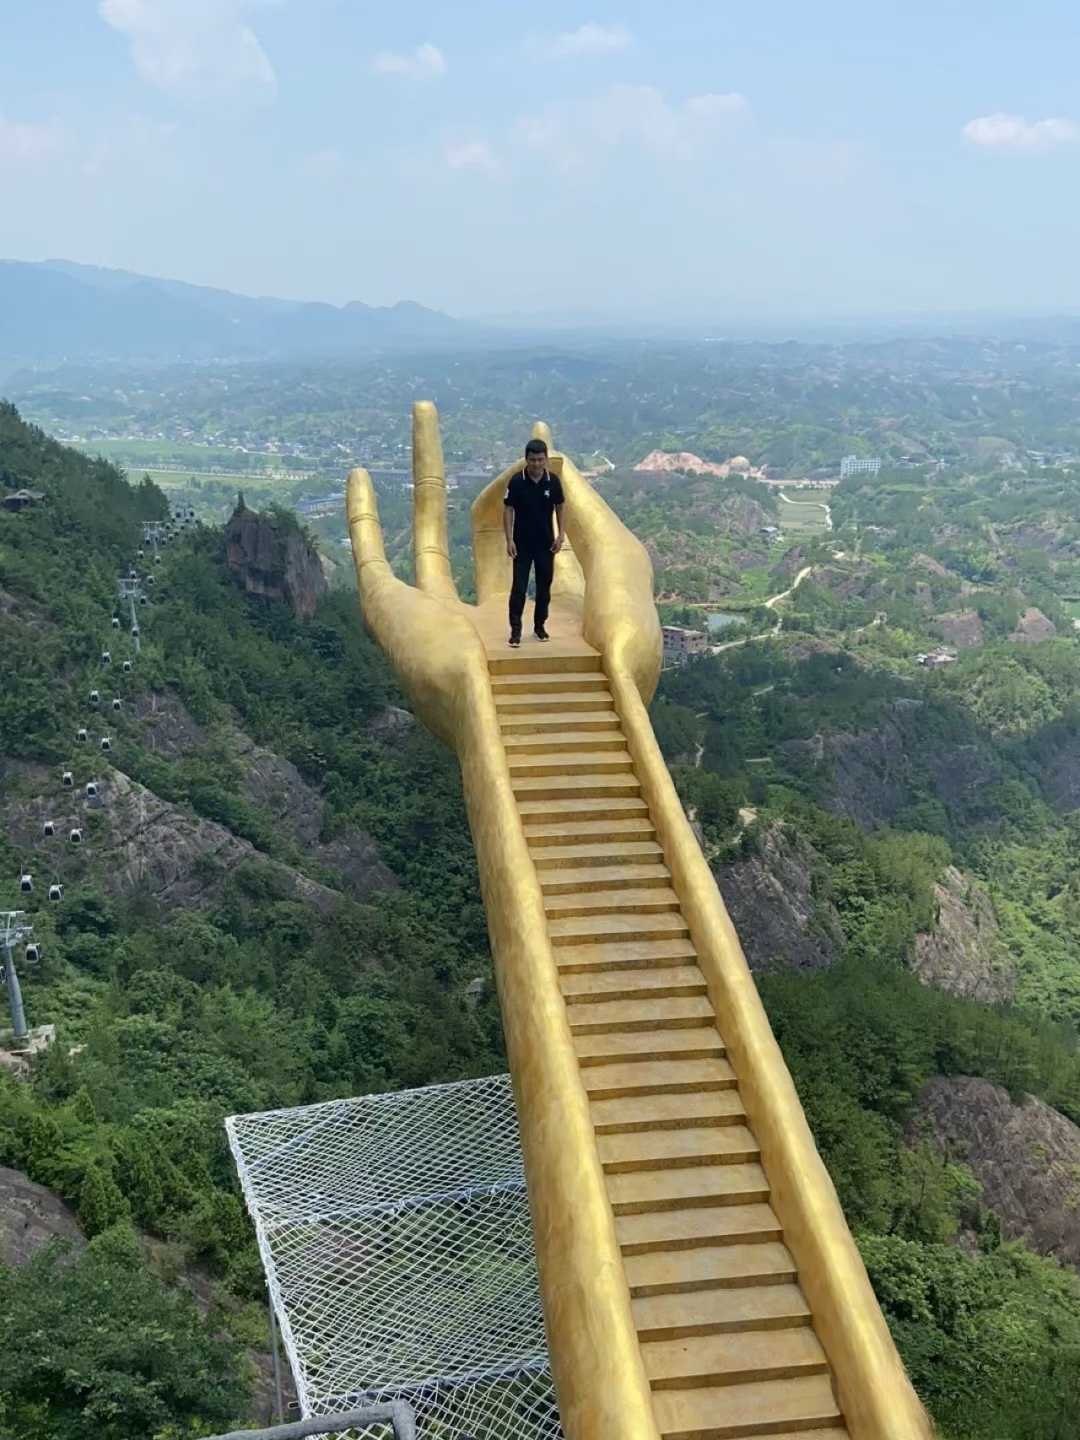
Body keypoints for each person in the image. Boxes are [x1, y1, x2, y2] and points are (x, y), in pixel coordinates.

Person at [503, 438, 565, 647]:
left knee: (544, 588)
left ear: (545, 459)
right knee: (519, 588)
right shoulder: (516, 482)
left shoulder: (553, 481)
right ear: (526, 459)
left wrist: (561, 534)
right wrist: (509, 539)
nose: (536, 464)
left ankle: (539, 627)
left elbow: (560, 507)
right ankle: (515, 631)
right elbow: (508, 509)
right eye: (532, 460)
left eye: (540, 460)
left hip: (546, 544)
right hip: (521, 544)